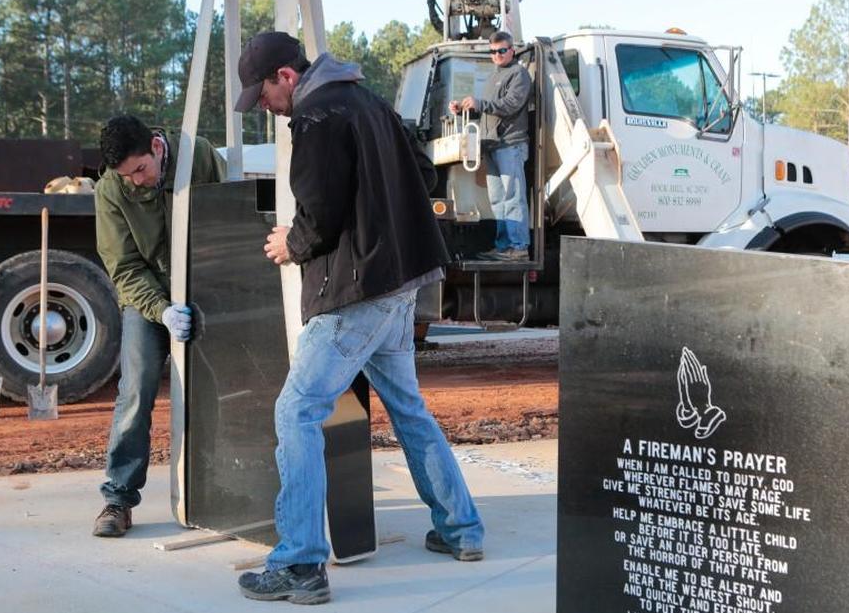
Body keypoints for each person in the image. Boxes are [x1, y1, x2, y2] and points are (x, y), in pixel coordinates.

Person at [232, 31, 485, 605]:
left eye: (264, 93)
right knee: (409, 410)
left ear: (287, 77)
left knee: (296, 411)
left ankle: (300, 565)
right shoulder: (369, 102)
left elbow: (318, 217)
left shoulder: (316, 117)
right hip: (402, 284)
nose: (265, 107)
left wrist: (288, 245)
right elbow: (422, 176)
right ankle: (461, 529)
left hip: (357, 291)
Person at [91, 114, 225, 537]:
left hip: (204, 289)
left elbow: (226, 218)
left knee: (215, 388)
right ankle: (117, 499)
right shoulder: (111, 190)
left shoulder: (198, 155)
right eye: (126, 176)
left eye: (140, 170)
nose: (134, 182)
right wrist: (162, 309)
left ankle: (216, 488)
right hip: (146, 299)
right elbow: (124, 265)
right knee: (136, 389)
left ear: (156, 146)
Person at [449, 30, 533, 261]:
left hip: (510, 144)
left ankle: (519, 247)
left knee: (513, 197)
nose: (497, 55)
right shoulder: (494, 76)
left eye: (501, 51)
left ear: (511, 51)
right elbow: (489, 110)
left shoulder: (519, 75)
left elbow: (510, 105)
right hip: (493, 145)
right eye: (493, 52)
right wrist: (465, 109)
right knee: (497, 199)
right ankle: (504, 246)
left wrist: (481, 103)